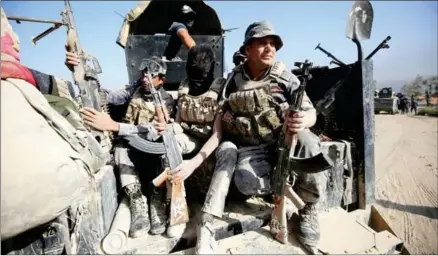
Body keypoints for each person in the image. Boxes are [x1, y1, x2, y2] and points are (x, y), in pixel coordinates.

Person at [169, 21, 328, 254]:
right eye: (262, 43)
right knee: (246, 183)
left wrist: (304, 120)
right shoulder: (232, 82)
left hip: (283, 142)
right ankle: (279, 187)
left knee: (308, 141)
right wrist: (194, 160)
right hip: (252, 147)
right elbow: (219, 126)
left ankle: (308, 209)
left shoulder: (285, 78)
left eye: (273, 44)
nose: (270, 48)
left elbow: (311, 112)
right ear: (247, 49)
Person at [66, 52, 174, 237]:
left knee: (166, 155)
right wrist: (83, 74)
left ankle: (157, 201)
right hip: (132, 153)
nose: (145, 78)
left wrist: (116, 126)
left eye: (151, 75)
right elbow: (105, 95)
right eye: (143, 73)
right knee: (121, 148)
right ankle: (137, 202)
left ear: (162, 79)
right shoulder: (133, 90)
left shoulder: (167, 100)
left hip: (153, 156)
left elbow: (155, 130)